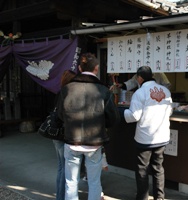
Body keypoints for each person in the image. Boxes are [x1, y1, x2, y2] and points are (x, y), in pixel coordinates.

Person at [57, 53, 120, 200]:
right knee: (94, 182)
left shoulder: (67, 89)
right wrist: (101, 125)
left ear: (79, 68)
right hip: (94, 143)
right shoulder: (103, 90)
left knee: (71, 183)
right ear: (96, 69)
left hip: (72, 141)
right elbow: (113, 118)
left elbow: (60, 114)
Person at [123, 66, 173, 200]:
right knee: (158, 168)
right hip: (161, 136)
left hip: (145, 138)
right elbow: (170, 111)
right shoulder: (166, 91)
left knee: (142, 170)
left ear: (140, 78)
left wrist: (124, 112)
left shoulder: (140, 93)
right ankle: (160, 197)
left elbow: (134, 116)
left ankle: (142, 197)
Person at [53, 70, 76, 200]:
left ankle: (59, 196)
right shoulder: (68, 93)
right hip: (63, 134)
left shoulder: (59, 93)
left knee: (61, 167)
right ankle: (62, 197)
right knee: (65, 169)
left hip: (55, 134)